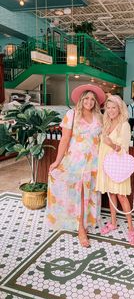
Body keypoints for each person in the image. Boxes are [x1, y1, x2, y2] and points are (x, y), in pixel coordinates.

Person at [46, 84, 105, 248]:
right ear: (81, 99)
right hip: (75, 161)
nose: (89, 101)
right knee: (79, 193)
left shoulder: (99, 117)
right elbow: (64, 140)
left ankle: (86, 221)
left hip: (93, 162)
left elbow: (102, 139)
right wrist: (57, 161)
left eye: (93, 99)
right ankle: (80, 229)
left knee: (90, 192)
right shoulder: (71, 115)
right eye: (86, 98)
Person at [96, 95, 134, 246]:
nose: (110, 110)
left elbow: (124, 150)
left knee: (121, 196)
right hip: (106, 164)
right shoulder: (106, 123)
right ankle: (113, 223)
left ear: (120, 108)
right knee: (111, 193)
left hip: (118, 165)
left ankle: (131, 228)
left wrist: (111, 144)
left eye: (114, 107)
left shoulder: (124, 125)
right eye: (108, 107)